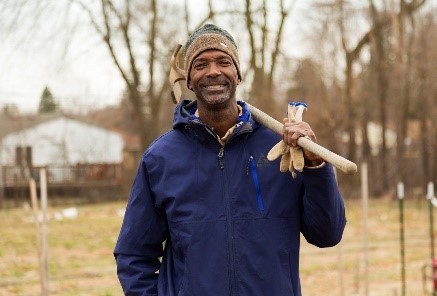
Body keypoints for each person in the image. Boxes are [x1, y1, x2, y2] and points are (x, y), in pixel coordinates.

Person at [114, 23, 346, 296]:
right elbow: (133, 256)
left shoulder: (281, 148)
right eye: (200, 65)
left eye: (223, 62)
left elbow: (327, 234)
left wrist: (315, 166)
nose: (213, 71)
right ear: (189, 80)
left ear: (238, 74)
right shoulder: (161, 159)